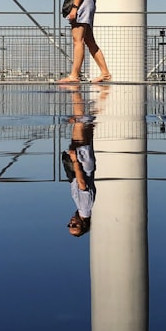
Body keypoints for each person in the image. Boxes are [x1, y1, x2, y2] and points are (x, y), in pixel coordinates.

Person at [61, 84, 106, 237]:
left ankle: (104, 95)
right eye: (75, 225)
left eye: (70, 225)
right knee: (78, 122)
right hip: (81, 165)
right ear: (83, 224)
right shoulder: (84, 208)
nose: (71, 222)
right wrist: (74, 160)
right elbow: (82, 184)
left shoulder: (84, 209)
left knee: (88, 126)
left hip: (86, 165)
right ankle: (75, 88)